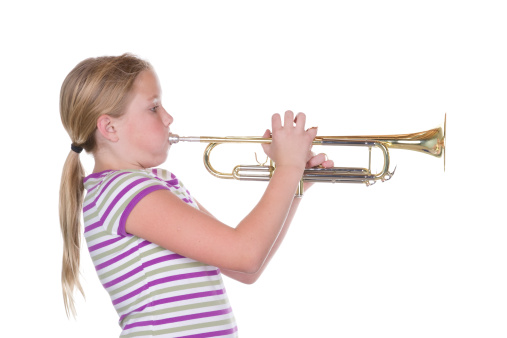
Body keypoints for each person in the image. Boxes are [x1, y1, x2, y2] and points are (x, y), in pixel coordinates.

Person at [59, 53, 333, 337]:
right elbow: (245, 253)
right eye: (153, 108)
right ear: (109, 128)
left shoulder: (156, 183)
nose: (168, 117)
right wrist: (287, 168)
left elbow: (246, 270)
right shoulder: (124, 192)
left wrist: (294, 188)